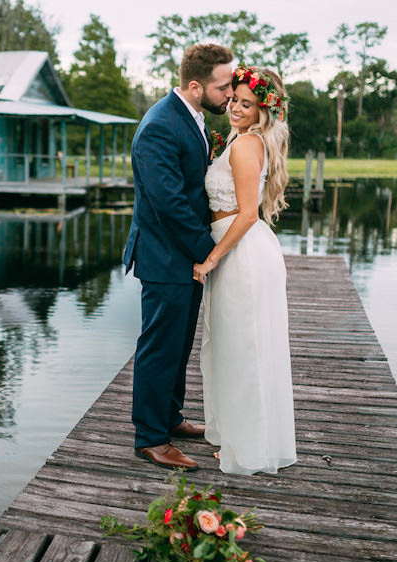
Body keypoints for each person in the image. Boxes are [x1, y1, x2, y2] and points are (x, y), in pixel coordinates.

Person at [123, 44, 234, 471]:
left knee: (179, 344)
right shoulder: (159, 126)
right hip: (165, 258)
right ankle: (150, 438)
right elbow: (169, 205)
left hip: (182, 258)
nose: (229, 92)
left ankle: (169, 418)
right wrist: (213, 253)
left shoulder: (191, 117)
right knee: (159, 347)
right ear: (195, 85)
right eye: (223, 86)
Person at [192, 65, 297, 475]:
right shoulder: (240, 140)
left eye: (246, 104)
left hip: (241, 255)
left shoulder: (246, 145)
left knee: (243, 349)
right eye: (234, 99)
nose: (235, 107)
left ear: (263, 111)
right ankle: (241, 435)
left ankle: (248, 445)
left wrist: (212, 258)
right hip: (240, 252)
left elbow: (249, 214)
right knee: (235, 347)